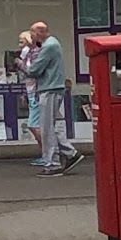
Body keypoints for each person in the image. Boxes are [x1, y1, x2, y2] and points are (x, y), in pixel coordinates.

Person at [28, 20, 82, 175]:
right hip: (53, 88)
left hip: (50, 89)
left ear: (38, 33)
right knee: (49, 126)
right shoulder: (52, 44)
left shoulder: (49, 46)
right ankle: (71, 154)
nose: (31, 36)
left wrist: (21, 64)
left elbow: (34, 70)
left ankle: (53, 164)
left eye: (32, 33)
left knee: (46, 129)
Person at [16, 29, 47, 166]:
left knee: (33, 125)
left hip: (35, 92)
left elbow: (32, 71)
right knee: (37, 125)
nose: (19, 45)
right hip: (31, 91)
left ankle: (50, 152)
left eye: (21, 41)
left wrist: (19, 63)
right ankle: (45, 154)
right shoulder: (29, 54)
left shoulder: (33, 53)